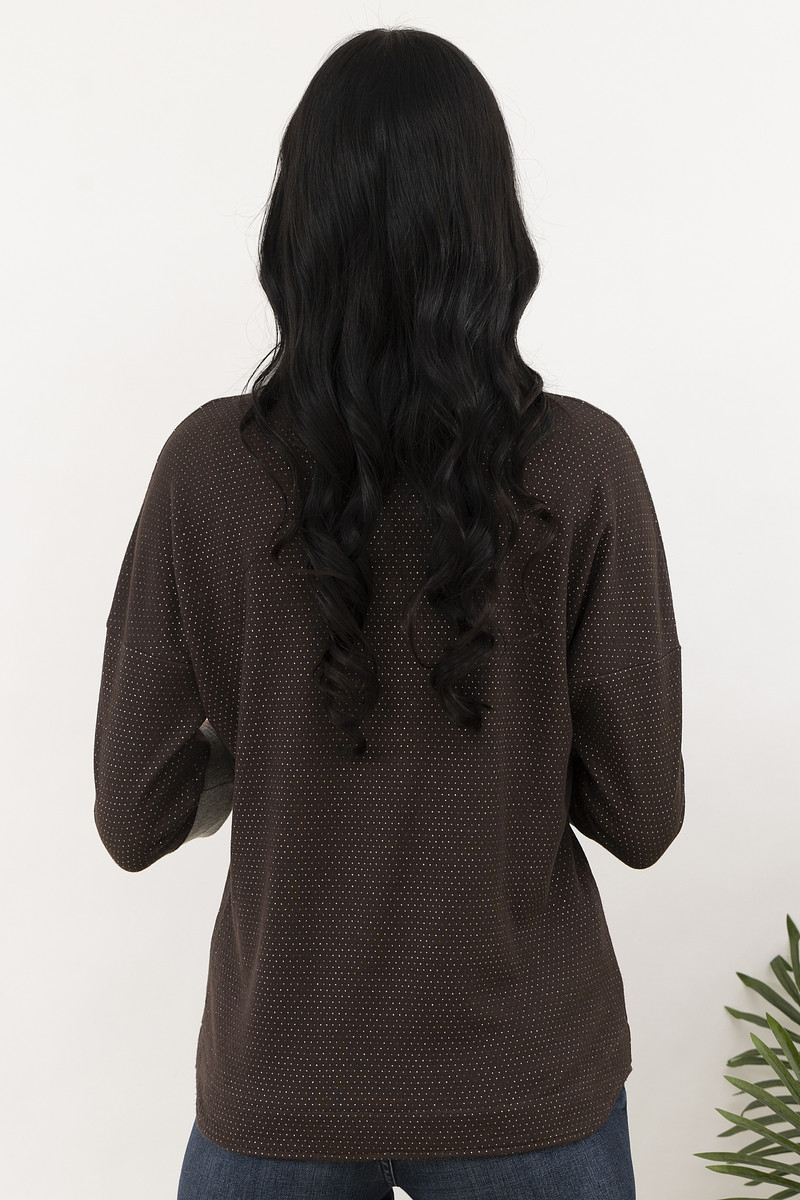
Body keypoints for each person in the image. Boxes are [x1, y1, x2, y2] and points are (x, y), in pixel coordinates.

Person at [93, 25, 684, 1200]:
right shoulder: (579, 467)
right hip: (524, 1082)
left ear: (295, 228)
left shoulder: (206, 472)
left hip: (282, 1081)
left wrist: (269, 730)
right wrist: (508, 735)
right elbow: (640, 813)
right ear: (491, 229)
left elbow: (134, 813)